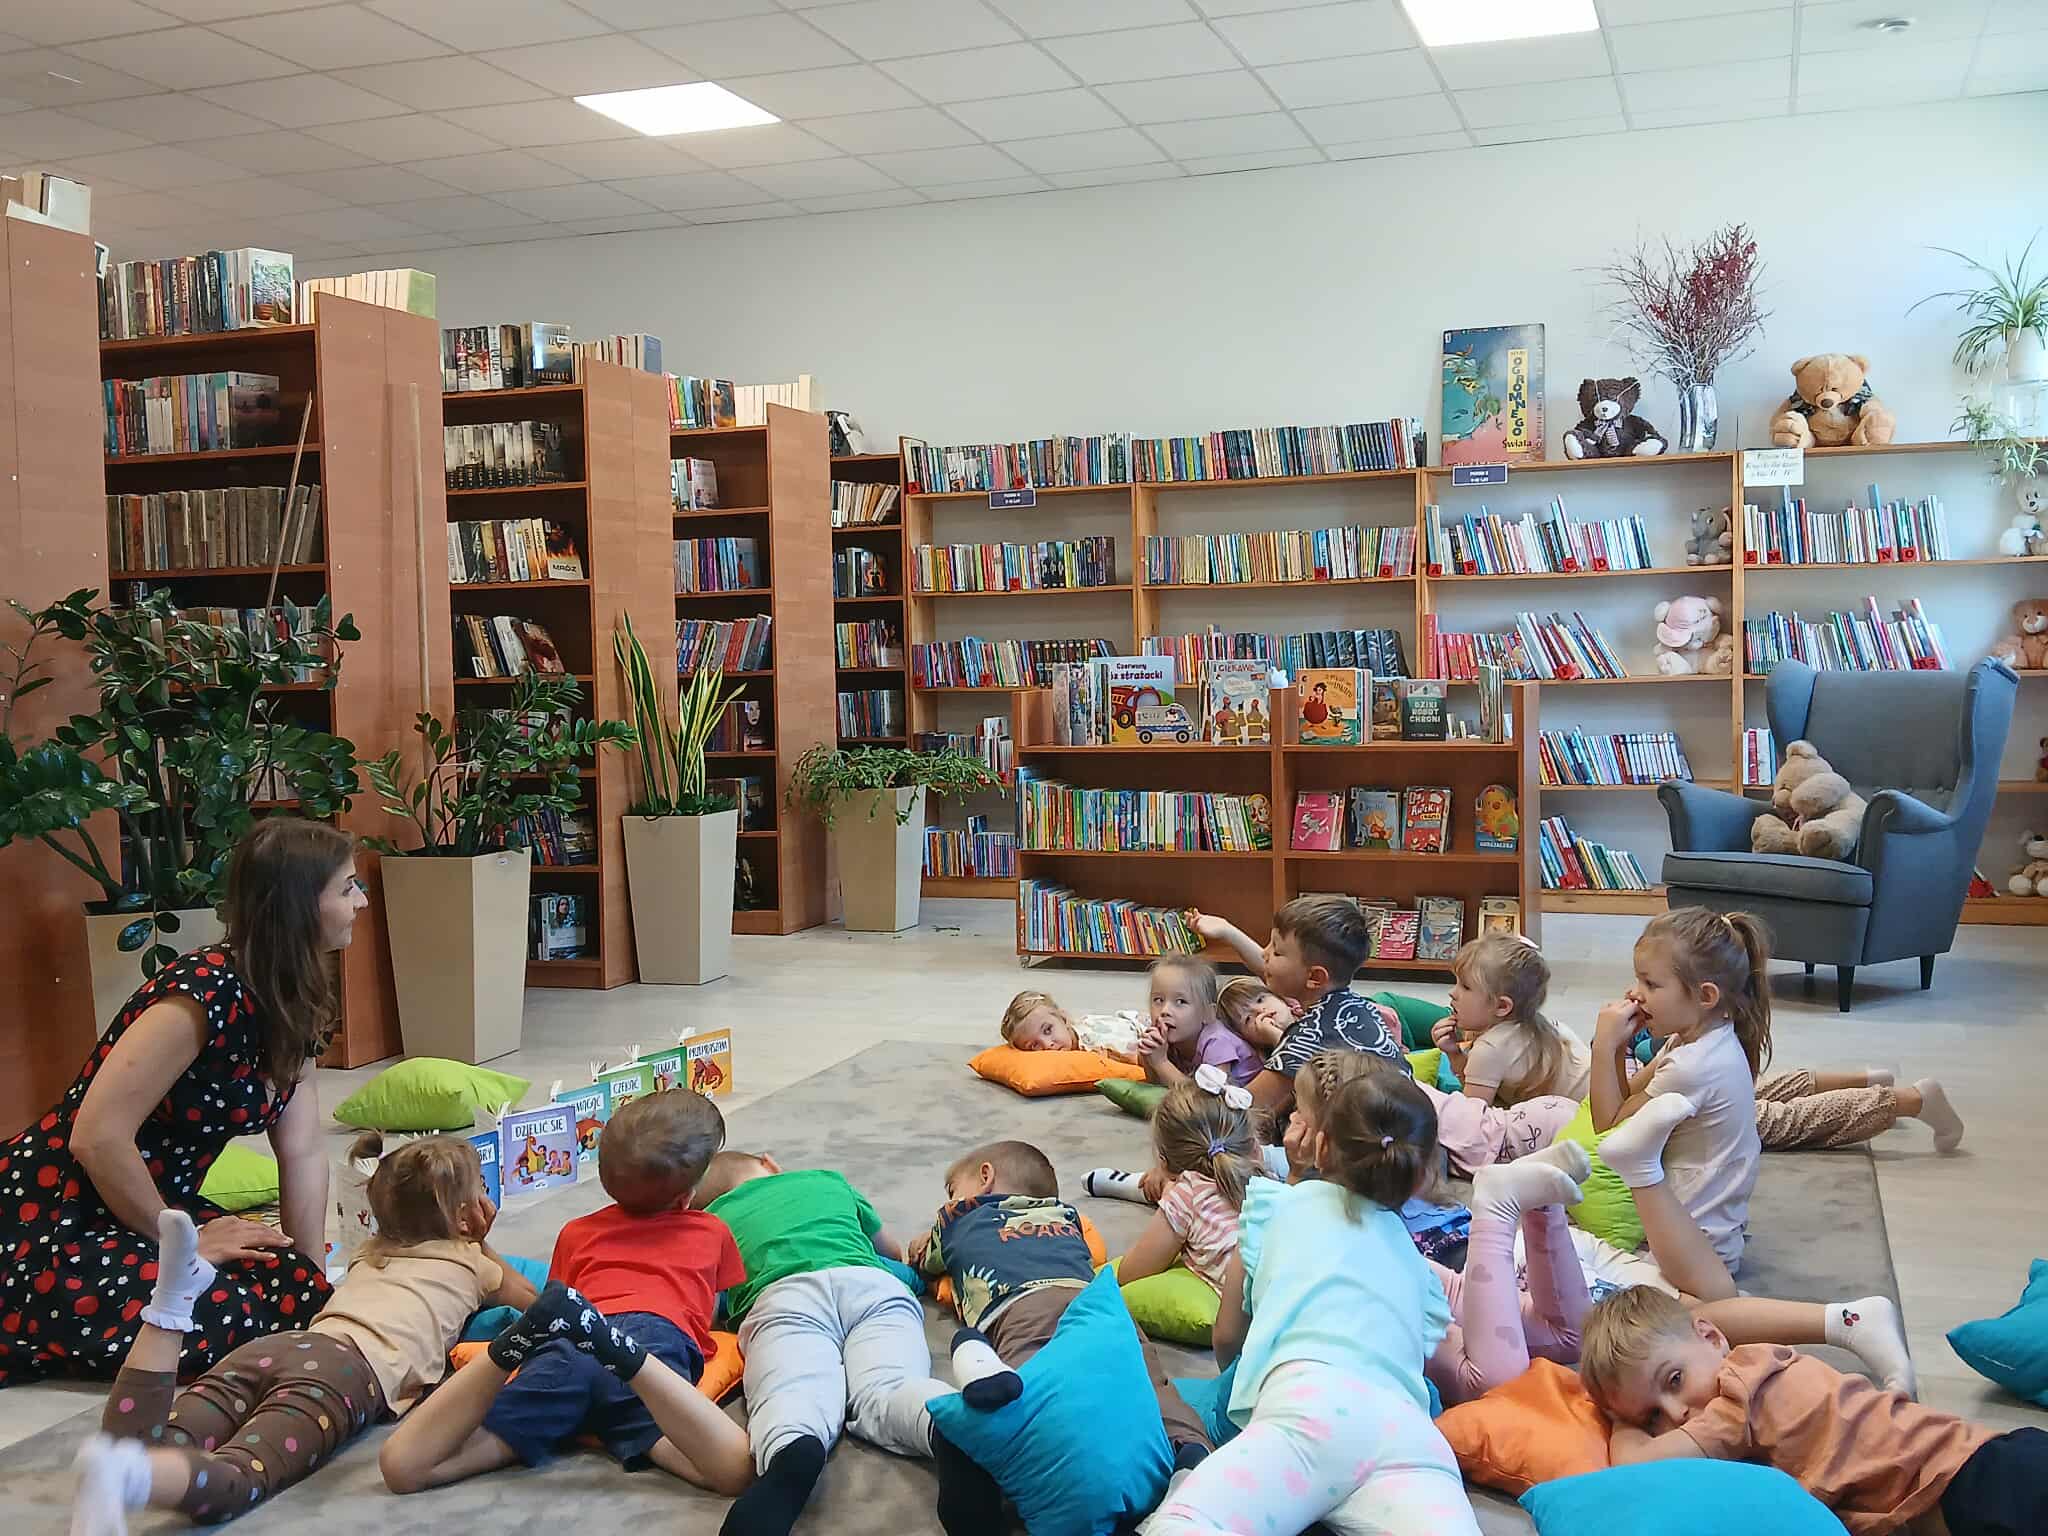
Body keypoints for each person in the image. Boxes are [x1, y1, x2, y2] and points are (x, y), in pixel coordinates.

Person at [0, 818, 365, 1387]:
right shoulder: (202, 991)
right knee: (224, 1318)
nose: (361, 902)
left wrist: (309, 1279)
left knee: (289, 1295)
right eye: (347, 888)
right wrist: (185, 1244)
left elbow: (302, 1150)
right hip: (56, 1217)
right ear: (297, 904)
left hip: (151, 1211)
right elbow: (95, 1137)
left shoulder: (293, 996)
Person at [69, 1135, 535, 1531]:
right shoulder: (475, 1263)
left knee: (151, 1445)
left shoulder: (368, 1252)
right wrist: (480, 1240)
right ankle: (132, 1478)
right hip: (345, 1372)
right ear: (462, 1216)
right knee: (242, 1476)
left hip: (282, 1345)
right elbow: (532, 1302)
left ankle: (170, 1306)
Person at [1148, 1051, 1481, 1536]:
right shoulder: (1420, 1268)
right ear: (1419, 1175)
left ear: (1320, 1146)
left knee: (1187, 1520)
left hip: (1308, 1414)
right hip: (1408, 1436)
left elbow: (1226, 1340)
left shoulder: (1272, 1205)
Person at [376, 1090, 752, 1499]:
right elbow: (716, 1315)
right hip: (649, 1354)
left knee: (407, 1469)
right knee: (736, 1472)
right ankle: (617, 1351)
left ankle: (515, 1346)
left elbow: (561, 1300)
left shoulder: (576, 1232)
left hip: (565, 1349)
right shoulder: (712, 1231)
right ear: (687, 1196)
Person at [1422, 1137, 1914, 1409]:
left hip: (1504, 1261)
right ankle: (1844, 1319)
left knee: (1677, 1320)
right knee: (1704, 1301)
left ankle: (1846, 1319)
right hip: (1527, 1250)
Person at [906, 1138, 1211, 1536]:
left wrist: (923, 1246)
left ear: (985, 1177)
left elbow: (921, 1256)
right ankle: (1190, 1457)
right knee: (1149, 1379)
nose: (949, 1200)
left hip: (1022, 1309)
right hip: (1099, 1306)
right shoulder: (1067, 1217)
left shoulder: (959, 1216)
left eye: (952, 1189)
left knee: (1036, 1386)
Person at [1580, 1285, 2047, 1535]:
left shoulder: (1738, 1391)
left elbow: (1633, 1467)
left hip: (1984, 1480)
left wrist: (1626, 1422)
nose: (1676, 1414)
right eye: (1653, 1417)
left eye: (1674, 1381)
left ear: (1711, 1337)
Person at [687, 1151, 952, 1536]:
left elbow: (710, 1306)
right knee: (890, 1383)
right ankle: (937, 1423)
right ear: (770, 1163)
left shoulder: (710, 1223)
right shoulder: (826, 1180)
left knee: (792, 1387)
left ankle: (790, 1445)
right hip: (871, 1285)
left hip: (784, 1298)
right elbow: (891, 1252)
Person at [1586, 908, 1772, 1302]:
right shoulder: (1697, 1039)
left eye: (1651, 984)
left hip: (1695, 1240)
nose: (1635, 993)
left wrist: (1604, 1046)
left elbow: (1609, 1123)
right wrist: (1618, 1048)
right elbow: (1625, 1098)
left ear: (1705, 996)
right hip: (1704, 1229)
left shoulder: (1693, 1066)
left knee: (1607, 1293)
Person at [1193, 896, 1405, 1126]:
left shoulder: (1305, 1039)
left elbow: (1241, 1106)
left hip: (1361, 1152)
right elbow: (1278, 973)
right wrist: (1228, 932)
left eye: (1276, 951)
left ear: (1315, 977)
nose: (1265, 954)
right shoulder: (1358, 1008)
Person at [1107, 1067, 1269, 1295]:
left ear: (1164, 1162)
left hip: (1260, 1308)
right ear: (1254, 1146)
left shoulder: (1187, 1195)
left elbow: (1131, 1273)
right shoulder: (1268, 1181)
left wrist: (1171, 1196)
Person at [1429, 931, 1590, 1105]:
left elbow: (1473, 1119)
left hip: (1590, 1119)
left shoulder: (1489, 1049)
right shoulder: (1545, 1025)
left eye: (1466, 987)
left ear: (1502, 1006)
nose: (1452, 993)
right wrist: (1454, 1054)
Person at [1135, 957, 1260, 1090]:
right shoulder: (1170, 1035)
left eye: (1180, 1002)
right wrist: (1149, 1058)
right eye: (1158, 1000)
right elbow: (1156, 1085)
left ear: (1208, 1013)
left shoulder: (1217, 1041)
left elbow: (1208, 1100)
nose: (1165, 1011)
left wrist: (1161, 1062)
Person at [997, 989, 1144, 1061]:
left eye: (1048, 1030)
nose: (1048, 1045)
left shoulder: (1097, 1043)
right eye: (1034, 1046)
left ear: (1064, 1018)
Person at [1214, 977, 1293, 1054]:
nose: (1259, 1010)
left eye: (1260, 1000)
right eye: (1248, 1018)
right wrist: (1275, 1036)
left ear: (1278, 996)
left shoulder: (1304, 1006)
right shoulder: (1272, 1064)